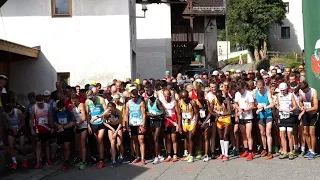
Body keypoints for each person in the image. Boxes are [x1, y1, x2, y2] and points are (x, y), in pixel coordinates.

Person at [86, 90, 109, 168]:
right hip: (93, 124)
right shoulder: (88, 102)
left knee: (100, 139)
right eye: (89, 98)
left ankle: (101, 160)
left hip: (101, 122)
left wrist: (98, 116)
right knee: (98, 142)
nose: (91, 99)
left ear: (94, 95)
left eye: (92, 97)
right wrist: (88, 125)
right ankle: (101, 155)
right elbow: (87, 114)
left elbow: (107, 110)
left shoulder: (100, 99)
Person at [30, 94, 54, 169]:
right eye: (39, 103)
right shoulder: (34, 107)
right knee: (38, 145)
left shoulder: (48, 106)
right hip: (38, 129)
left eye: (42, 102)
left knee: (47, 143)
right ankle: (38, 161)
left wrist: (52, 127)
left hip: (46, 128)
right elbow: (31, 119)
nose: (40, 104)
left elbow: (50, 117)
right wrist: (32, 129)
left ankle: (48, 159)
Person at [125, 89, 147, 165]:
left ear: (137, 96)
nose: (133, 98)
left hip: (139, 124)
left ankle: (143, 158)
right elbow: (126, 115)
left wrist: (143, 125)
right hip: (132, 124)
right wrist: (126, 125)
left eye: (134, 97)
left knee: (141, 140)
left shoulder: (141, 102)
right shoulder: (128, 103)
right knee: (135, 141)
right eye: (131, 97)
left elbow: (144, 114)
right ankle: (137, 156)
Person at [253, 80, 274, 160]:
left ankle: (270, 151)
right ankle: (264, 148)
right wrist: (257, 106)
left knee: (268, 132)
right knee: (262, 133)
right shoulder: (255, 92)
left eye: (261, 88)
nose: (260, 90)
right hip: (261, 115)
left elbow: (272, 104)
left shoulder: (267, 92)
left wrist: (264, 107)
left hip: (268, 114)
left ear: (263, 86)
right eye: (258, 88)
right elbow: (255, 103)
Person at [277, 83, 298, 160]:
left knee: (289, 135)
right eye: (281, 90)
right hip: (282, 116)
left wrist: (290, 110)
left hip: (289, 116)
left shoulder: (290, 95)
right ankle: (285, 152)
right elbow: (277, 105)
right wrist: (279, 108)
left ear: (286, 89)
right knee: (282, 134)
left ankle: (291, 152)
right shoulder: (278, 95)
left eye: (283, 90)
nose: (282, 92)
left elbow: (295, 106)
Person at [234, 82, 255, 161]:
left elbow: (252, 105)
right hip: (241, 116)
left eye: (240, 90)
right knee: (243, 134)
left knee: (248, 134)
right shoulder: (237, 94)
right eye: (238, 90)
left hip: (248, 116)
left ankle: (250, 152)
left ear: (243, 88)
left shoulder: (249, 94)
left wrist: (244, 109)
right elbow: (235, 104)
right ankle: (246, 150)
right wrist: (239, 109)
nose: (239, 91)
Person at [3, 104, 27, 169]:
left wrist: (18, 129)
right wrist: (10, 128)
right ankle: (14, 162)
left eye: (11, 112)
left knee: (21, 146)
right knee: (10, 146)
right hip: (11, 129)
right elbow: (5, 123)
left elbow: (23, 122)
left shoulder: (18, 112)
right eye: (9, 113)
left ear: (13, 109)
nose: (10, 114)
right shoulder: (5, 114)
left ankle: (25, 160)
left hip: (20, 127)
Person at [299, 82, 318, 159]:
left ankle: (313, 151)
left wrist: (305, 110)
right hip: (306, 114)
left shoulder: (313, 91)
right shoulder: (301, 91)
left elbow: (316, 107)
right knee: (305, 133)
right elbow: (300, 101)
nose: (304, 91)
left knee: (312, 133)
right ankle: (310, 149)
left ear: (308, 87)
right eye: (303, 90)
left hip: (313, 114)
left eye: (305, 90)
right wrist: (302, 107)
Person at [54, 100, 75, 171]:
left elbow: (72, 123)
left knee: (67, 146)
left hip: (67, 131)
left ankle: (66, 161)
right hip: (60, 131)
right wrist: (58, 125)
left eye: (62, 108)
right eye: (59, 108)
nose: (61, 110)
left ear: (64, 107)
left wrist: (63, 127)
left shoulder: (69, 113)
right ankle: (65, 157)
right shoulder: (56, 113)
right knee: (61, 147)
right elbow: (54, 121)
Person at [146, 89, 166, 164]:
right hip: (151, 121)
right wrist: (148, 114)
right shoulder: (147, 101)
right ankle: (160, 155)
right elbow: (146, 110)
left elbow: (163, 112)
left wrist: (156, 115)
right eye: (148, 96)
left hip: (158, 121)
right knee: (153, 139)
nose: (150, 98)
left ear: (153, 95)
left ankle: (156, 157)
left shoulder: (157, 101)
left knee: (156, 138)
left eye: (151, 96)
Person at [179, 90, 199, 163]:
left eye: (186, 97)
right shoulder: (180, 103)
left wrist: (195, 125)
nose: (184, 99)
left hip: (192, 122)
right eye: (183, 97)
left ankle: (191, 155)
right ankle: (188, 154)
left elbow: (197, 114)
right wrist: (179, 126)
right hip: (184, 122)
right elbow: (179, 114)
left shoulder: (192, 102)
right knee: (187, 139)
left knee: (190, 138)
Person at [103, 102, 124, 167]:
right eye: (109, 109)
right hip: (111, 126)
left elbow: (121, 123)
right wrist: (112, 129)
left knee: (119, 143)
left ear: (114, 108)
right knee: (112, 143)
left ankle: (121, 156)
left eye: (111, 110)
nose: (110, 111)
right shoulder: (106, 113)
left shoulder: (118, 112)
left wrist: (116, 131)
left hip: (118, 126)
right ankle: (114, 160)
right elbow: (104, 122)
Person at [162, 89, 181, 162]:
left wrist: (178, 125)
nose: (166, 98)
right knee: (167, 139)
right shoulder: (162, 102)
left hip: (173, 123)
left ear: (170, 95)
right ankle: (169, 154)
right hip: (166, 123)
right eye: (165, 96)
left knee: (174, 138)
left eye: (168, 96)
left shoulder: (174, 102)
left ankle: (175, 154)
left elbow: (178, 114)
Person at [71, 94, 88, 170]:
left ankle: (84, 161)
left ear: (78, 99)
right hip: (77, 126)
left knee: (82, 143)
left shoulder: (81, 105)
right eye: (72, 99)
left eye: (75, 99)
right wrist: (75, 125)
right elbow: (74, 117)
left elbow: (84, 118)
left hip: (83, 126)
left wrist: (78, 124)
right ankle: (81, 159)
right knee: (78, 145)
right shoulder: (72, 106)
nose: (74, 101)